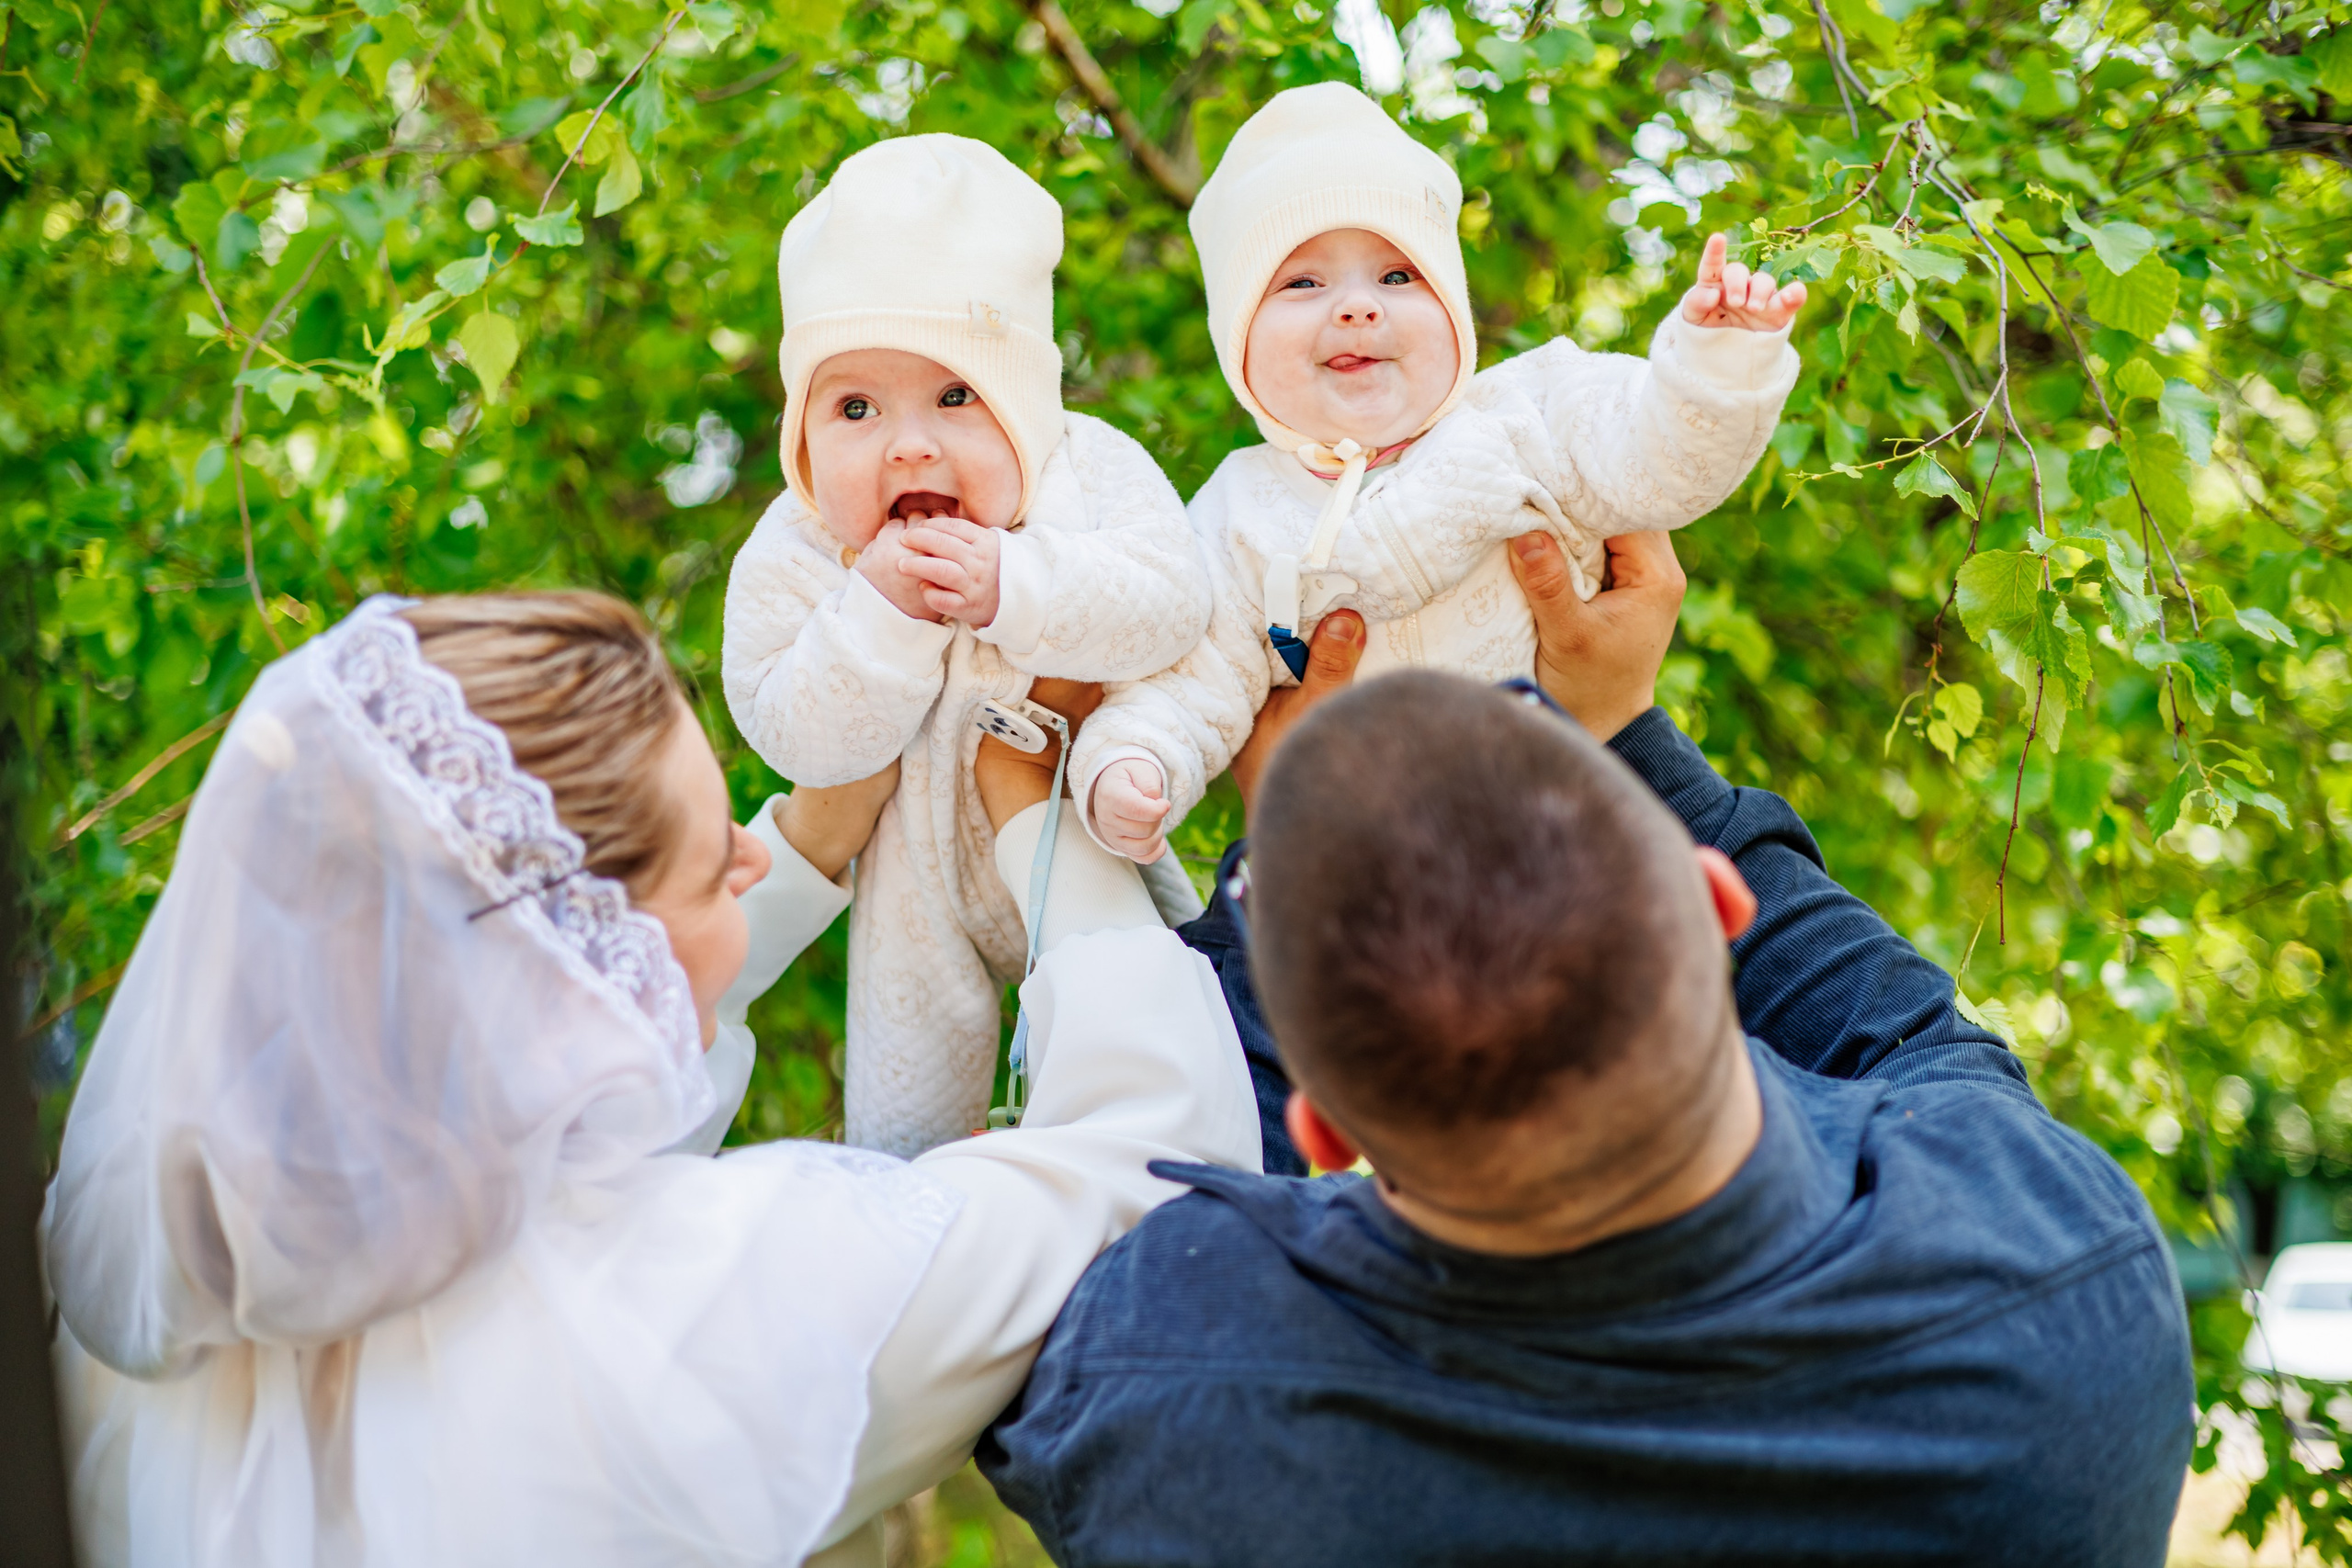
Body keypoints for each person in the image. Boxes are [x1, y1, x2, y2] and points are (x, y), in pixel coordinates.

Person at [981, 530, 2198, 1565]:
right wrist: (1620, 729)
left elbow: (1077, 1207)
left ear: (1325, 1127)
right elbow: (1914, 1041)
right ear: (1719, 899)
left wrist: (1292, 866)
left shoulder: (1179, 1395)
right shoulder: (2069, 1286)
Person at [44, 592, 1257, 1568]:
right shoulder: (694, 1302)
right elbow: (1152, 1166)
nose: (747, 846)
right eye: (709, 860)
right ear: (577, 967)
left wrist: (806, 843)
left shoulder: (142, 1246)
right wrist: (1040, 824)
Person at [1070, 80, 1804, 868]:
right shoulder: (1236, 513)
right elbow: (1192, 676)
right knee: (1241, 976)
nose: (1356, 308)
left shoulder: (1530, 412)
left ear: (1454, 309)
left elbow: (1662, 462)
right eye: (1302, 283)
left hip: (1586, 824)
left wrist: (1718, 362)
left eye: (1397, 277)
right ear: (1236, 345)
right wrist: (1134, 760)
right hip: (1387, 875)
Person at [722, 134, 1214, 1158]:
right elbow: (789, 733)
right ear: (801, 437)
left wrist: (1019, 588)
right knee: (905, 1118)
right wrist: (880, 620)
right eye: (854, 408)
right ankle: (921, 1255)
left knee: (1137, 1060)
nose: (908, 444)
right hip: (910, 884)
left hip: (1076, 821)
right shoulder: (804, 546)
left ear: (1028, 410)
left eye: (955, 397)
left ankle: (1142, 1233)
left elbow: (1173, 602)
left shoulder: (1086, 475)